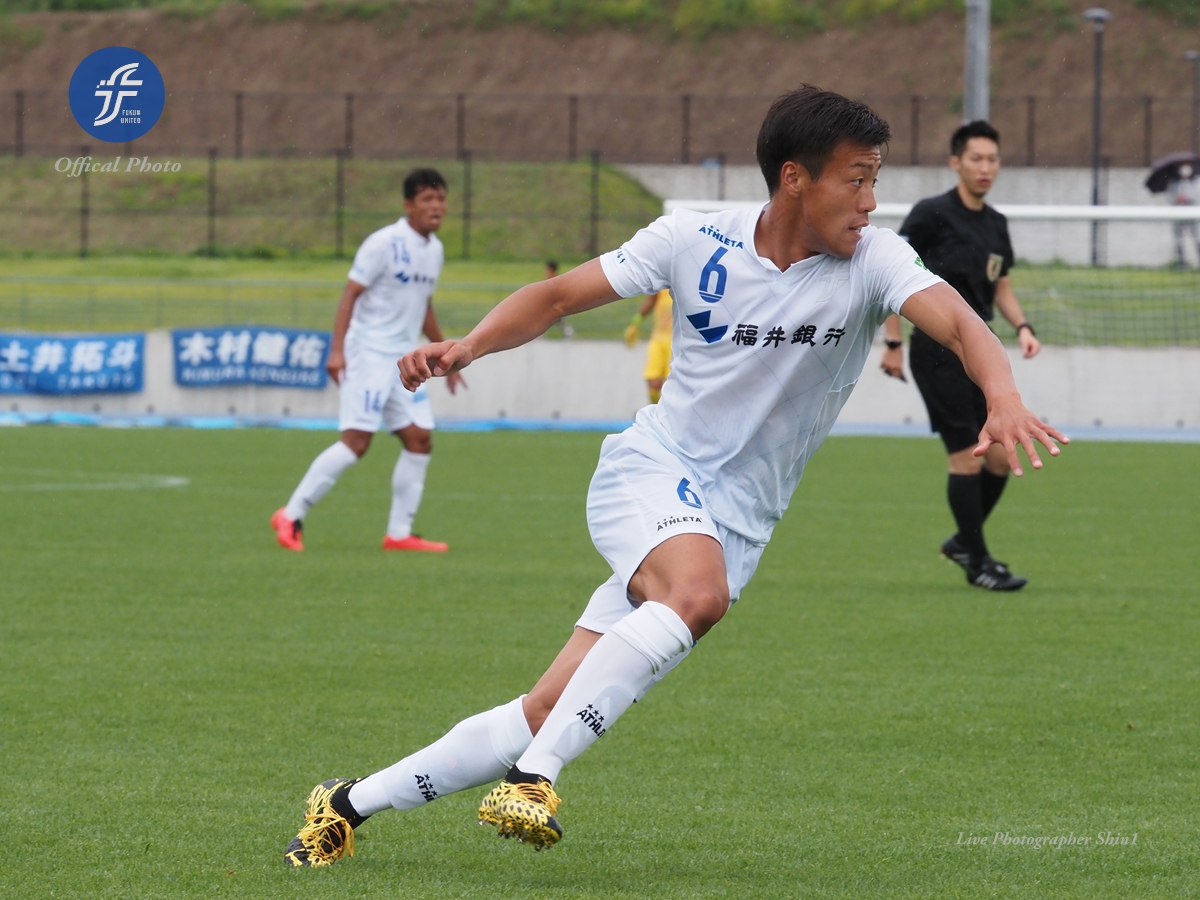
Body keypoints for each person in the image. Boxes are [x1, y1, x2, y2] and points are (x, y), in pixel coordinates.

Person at [283, 88, 1065, 867]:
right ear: (795, 178)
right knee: (695, 595)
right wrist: (467, 346)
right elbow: (557, 297)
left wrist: (1002, 395)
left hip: (738, 523)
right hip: (653, 472)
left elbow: (961, 323)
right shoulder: (694, 237)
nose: (869, 201)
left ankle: (346, 803)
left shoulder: (875, 259)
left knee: (548, 706)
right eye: (855, 180)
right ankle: (534, 779)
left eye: (875, 180)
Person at [880, 120, 1041, 591]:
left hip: (981, 350)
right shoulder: (930, 214)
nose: (985, 167)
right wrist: (893, 343)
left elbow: (1001, 284)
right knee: (967, 458)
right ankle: (978, 562)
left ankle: (964, 543)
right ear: (956, 162)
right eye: (976, 158)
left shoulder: (996, 224)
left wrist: (1023, 327)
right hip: (935, 350)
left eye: (992, 159)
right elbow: (890, 276)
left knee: (998, 457)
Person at [270, 168, 463, 554]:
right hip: (368, 353)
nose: (436, 206)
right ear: (408, 205)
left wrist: (444, 351)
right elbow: (350, 293)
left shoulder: (435, 251)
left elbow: (423, 304)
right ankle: (290, 515)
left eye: (441, 199)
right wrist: (337, 350)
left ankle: (399, 534)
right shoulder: (383, 243)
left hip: (403, 359)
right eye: (427, 199)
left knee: (419, 439)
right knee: (357, 442)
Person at [623, 288, 673, 403]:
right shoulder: (664, 283)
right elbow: (652, 299)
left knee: (671, 384)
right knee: (653, 383)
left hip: (677, 339)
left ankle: (670, 411)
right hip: (658, 337)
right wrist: (635, 323)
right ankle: (657, 410)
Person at [1168, 163, 1200, 269]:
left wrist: (1187, 198)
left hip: (1191, 212)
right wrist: (1177, 198)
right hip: (1178, 212)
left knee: (1196, 237)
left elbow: (1196, 195)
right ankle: (1181, 264)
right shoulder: (1174, 182)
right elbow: (1169, 196)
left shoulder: (1195, 181)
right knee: (1178, 238)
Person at [545, 260, 576, 337]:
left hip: (553, 303)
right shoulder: (555, 277)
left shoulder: (551, 277)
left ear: (550, 268)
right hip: (553, 303)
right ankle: (568, 331)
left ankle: (568, 331)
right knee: (555, 319)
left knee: (551, 319)